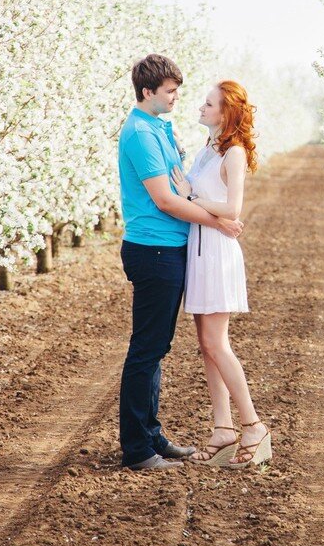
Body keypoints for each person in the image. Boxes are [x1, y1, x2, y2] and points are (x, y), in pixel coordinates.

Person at [116, 54, 243, 470]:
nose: (176, 99)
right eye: (169, 92)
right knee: (147, 348)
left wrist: (212, 216)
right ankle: (138, 449)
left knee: (157, 347)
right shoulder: (140, 132)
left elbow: (184, 188)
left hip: (169, 249)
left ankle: (151, 436)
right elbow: (166, 200)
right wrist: (219, 221)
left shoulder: (158, 128)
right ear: (147, 91)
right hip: (153, 249)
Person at [169, 80, 272, 468]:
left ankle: (253, 425)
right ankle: (222, 428)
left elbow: (233, 209)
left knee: (217, 343)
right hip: (201, 249)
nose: (201, 106)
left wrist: (190, 198)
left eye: (208, 103)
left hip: (216, 253)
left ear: (226, 112)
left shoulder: (234, 153)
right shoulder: (208, 151)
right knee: (206, 344)